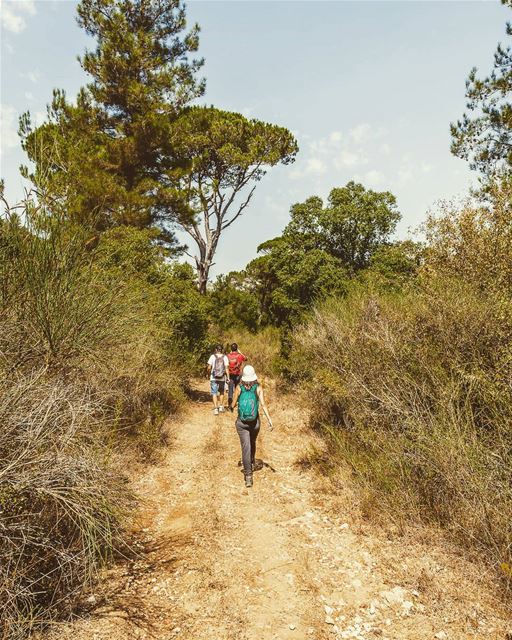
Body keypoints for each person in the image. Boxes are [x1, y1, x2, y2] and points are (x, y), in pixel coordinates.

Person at [232, 365, 273, 488]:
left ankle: (248, 476)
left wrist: (234, 405)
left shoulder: (239, 387)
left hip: (242, 423)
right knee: (252, 441)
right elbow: (263, 405)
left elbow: (233, 404)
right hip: (255, 422)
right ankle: (252, 461)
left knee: (246, 447)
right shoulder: (258, 387)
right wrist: (270, 420)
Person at [207, 345, 229, 415]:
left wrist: (208, 374)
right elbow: (226, 368)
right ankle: (221, 406)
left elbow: (209, 367)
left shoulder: (212, 356)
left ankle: (216, 408)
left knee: (214, 393)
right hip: (222, 377)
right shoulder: (225, 357)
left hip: (213, 377)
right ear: (221, 350)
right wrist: (228, 377)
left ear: (216, 349)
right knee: (222, 392)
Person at [227, 342, 247, 412]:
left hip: (230, 374)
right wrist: (240, 352)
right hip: (238, 374)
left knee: (230, 390)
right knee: (237, 389)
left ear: (231, 349)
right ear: (237, 348)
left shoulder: (228, 355)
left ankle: (230, 405)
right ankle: (238, 404)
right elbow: (246, 358)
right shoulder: (239, 355)